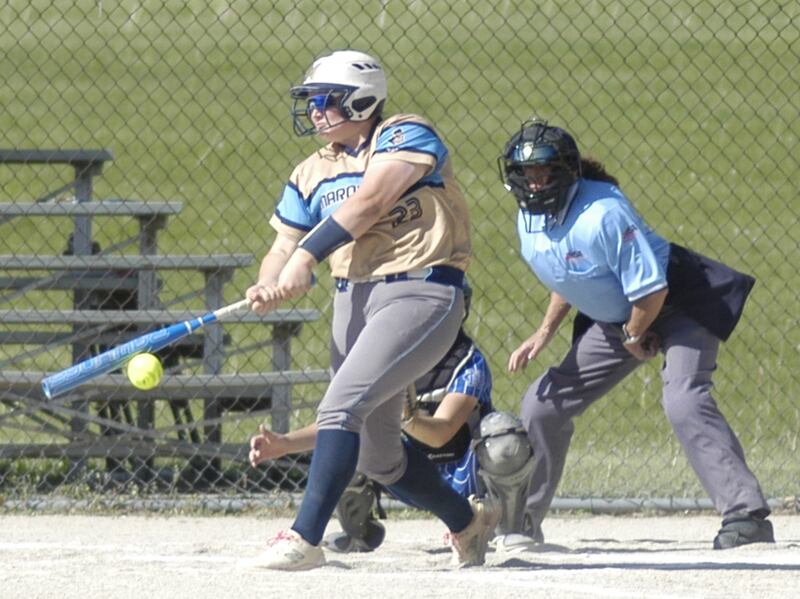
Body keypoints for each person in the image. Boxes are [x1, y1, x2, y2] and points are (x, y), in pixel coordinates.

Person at [245, 49, 498, 570]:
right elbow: (282, 245)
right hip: (353, 298)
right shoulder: (311, 169)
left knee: (339, 409)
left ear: (361, 101)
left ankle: (303, 538)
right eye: (310, 102)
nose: (314, 112)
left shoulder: (405, 134)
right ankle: (468, 522)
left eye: (325, 101)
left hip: (420, 289)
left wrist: (307, 256)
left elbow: (370, 203)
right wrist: (269, 282)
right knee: (378, 457)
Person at [498, 117, 775, 550]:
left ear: (567, 172)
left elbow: (653, 289)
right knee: (542, 405)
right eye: (525, 174)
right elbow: (569, 272)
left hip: (677, 302)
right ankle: (522, 524)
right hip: (624, 318)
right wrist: (544, 331)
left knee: (684, 398)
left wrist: (633, 337)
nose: (534, 183)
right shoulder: (529, 221)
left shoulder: (604, 213)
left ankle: (746, 515)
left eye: (544, 172)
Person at [249, 284, 537, 554]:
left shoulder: (468, 362)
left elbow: (442, 433)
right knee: (353, 443)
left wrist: (408, 418)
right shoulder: (385, 356)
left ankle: (506, 530)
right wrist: (285, 443)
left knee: (502, 435)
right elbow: (343, 420)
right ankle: (359, 532)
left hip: (464, 479)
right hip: (403, 475)